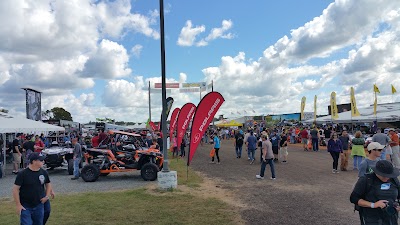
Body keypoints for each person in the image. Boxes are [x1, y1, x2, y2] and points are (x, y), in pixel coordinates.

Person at [350, 160, 400, 225]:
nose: (387, 178)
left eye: (389, 175)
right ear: (377, 172)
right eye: (384, 175)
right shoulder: (366, 180)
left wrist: (398, 206)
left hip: (391, 218)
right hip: (371, 218)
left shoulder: (394, 180)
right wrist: (373, 205)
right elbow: (354, 198)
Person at [13, 152, 54, 225]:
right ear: (34, 161)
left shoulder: (43, 172)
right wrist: (18, 205)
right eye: (41, 160)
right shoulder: (23, 174)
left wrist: (47, 196)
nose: (43, 162)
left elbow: (48, 183)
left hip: (39, 204)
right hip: (25, 206)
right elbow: (15, 189)